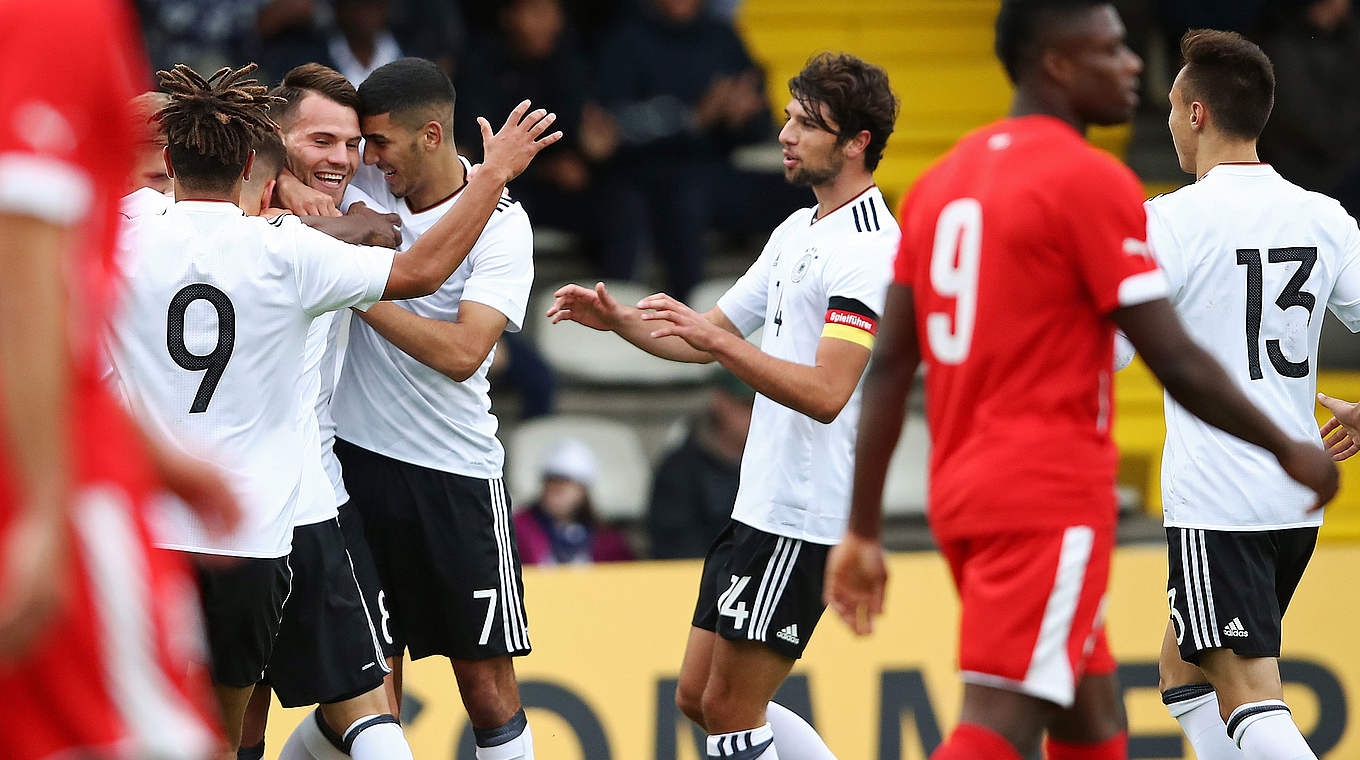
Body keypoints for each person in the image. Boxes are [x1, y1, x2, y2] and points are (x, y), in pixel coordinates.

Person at [823, 4, 1339, 760]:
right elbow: (1172, 356)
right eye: (1110, 49)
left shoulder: (939, 185)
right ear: (1057, 63)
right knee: (999, 716)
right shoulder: (1092, 181)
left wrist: (864, 526)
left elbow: (893, 366)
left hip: (965, 487)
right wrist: (1288, 447)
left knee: (1093, 715)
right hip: (1049, 491)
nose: (1133, 65)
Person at [105, 61, 560, 756]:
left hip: (154, 524)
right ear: (264, 160)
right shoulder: (288, 253)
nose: (352, 161)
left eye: (359, 146)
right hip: (260, 524)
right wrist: (491, 175)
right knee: (252, 728)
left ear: (169, 162)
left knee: (150, 725)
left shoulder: (126, 234)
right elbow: (419, 271)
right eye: (323, 143)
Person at [550, 51, 898, 760]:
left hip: (802, 514)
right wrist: (621, 323)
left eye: (808, 123)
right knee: (699, 698)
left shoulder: (868, 250)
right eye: (788, 118)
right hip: (760, 506)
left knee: (733, 710)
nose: (786, 135)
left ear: (858, 142)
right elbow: (704, 336)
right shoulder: (796, 232)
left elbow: (829, 393)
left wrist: (716, 341)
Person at [1110, 30, 1360, 760]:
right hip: (1293, 502)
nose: (1166, 123)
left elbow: (1114, 351)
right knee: (1184, 673)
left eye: (1170, 107)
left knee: (1251, 694)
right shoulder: (1323, 216)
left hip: (1219, 501)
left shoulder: (1171, 221)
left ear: (1195, 115)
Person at [0, 2, 239, 758]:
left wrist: (159, 458)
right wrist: (43, 504)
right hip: (57, 476)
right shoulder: (53, 17)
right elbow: (25, 268)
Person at [318, 57, 540, 760]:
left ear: (432, 135)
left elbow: (462, 353)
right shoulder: (362, 185)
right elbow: (283, 163)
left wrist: (356, 286)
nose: (366, 158)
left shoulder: (503, 224)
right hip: (351, 468)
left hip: (454, 474)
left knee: (487, 691)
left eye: (378, 143)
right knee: (370, 694)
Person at [593, 0, 807, 299]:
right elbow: (610, 129)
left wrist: (741, 116)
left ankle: (797, 300)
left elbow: (757, 116)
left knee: (806, 190)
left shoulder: (721, 37)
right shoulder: (626, 39)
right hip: (647, 178)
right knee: (684, 198)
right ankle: (690, 307)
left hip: (716, 172)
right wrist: (694, 118)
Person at [647, 371, 753, 559]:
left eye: (767, 406)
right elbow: (674, 549)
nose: (757, 415)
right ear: (719, 401)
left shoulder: (781, 466)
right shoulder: (679, 471)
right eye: (747, 404)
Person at [514, 438, 634, 565]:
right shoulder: (518, 530)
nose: (557, 491)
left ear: (583, 491)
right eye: (552, 482)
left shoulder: (607, 541)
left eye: (566, 484)